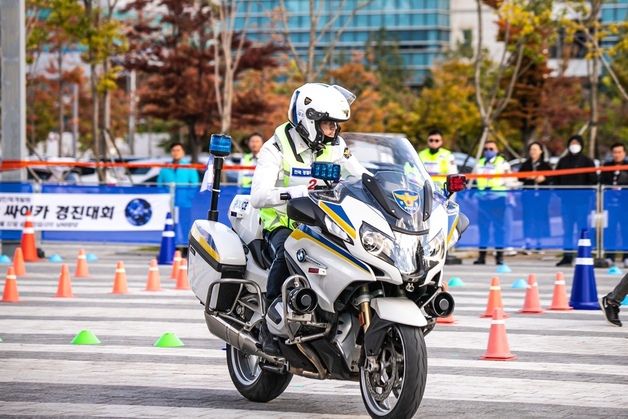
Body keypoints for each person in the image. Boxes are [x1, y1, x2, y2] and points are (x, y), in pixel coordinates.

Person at [250, 83, 366, 355]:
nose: (333, 130)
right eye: (328, 124)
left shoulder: (335, 145)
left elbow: (359, 175)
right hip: (282, 223)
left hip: (323, 222)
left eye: (335, 125)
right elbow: (258, 196)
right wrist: (301, 191)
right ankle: (269, 322)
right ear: (309, 120)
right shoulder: (276, 147)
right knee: (288, 250)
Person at [554, 135, 597, 266]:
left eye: (577, 143)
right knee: (567, 229)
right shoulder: (563, 161)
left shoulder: (587, 161)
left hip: (582, 203)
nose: (574, 145)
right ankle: (567, 256)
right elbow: (556, 180)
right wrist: (561, 195)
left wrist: (586, 195)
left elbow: (593, 180)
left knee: (582, 229)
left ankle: (583, 254)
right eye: (572, 142)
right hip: (566, 202)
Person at [473, 140, 512, 265]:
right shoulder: (479, 163)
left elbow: (510, 179)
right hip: (483, 199)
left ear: (496, 150)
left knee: (499, 228)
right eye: (486, 149)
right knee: (483, 228)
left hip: (498, 198)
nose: (488, 151)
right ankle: (481, 256)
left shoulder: (502, 163)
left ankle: (499, 256)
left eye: (491, 148)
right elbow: (474, 180)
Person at [157, 142, 200, 248]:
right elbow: (159, 184)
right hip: (168, 203)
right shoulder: (165, 168)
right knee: (170, 224)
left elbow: (194, 184)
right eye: (173, 150)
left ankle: (185, 247)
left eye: (178, 150)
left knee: (185, 224)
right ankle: (171, 246)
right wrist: (164, 197)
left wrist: (188, 197)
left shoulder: (189, 167)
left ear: (183, 152)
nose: (176, 153)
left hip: (184, 203)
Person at [519, 141, 553, 253]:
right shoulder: (526, 165)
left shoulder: (545, 165)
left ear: (541, 151)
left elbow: (552, 178)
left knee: (540, 218)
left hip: (542, 196)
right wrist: (528, 177)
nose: (533, 152)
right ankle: (527, 241)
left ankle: (539, 242)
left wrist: (543, 178)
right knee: (528, 217)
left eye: (535, 149)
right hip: (528, 195)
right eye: (531, 149)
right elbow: (519, 177)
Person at [601, 143, 628, 268]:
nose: (617, 154)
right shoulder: (607, 166)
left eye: (619, 152)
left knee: (625, 230)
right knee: (610, 230)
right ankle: (609, 257)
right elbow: (601, 182)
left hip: (625, 204)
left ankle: (626, 257)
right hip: (610, 204)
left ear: (624, 153)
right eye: (615, 152)